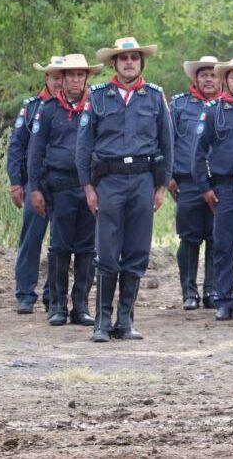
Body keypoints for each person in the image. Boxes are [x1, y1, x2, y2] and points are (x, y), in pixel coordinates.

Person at [80, 37, 172, 342]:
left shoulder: (155, 97)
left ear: (140, 62)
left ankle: (125, 320)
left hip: (144, 181)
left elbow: (167, 145)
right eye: (123, 58)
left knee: (137, 250)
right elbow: (84, 147)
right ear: (113, 64)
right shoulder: (97, 96)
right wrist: (88, 187)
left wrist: (161, 186)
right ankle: (102, 322)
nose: (129, 62)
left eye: (134, 58)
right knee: (106, 249)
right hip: (110, 181)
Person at [28, 54, 102, 327]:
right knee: (59, 247)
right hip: (58, 187)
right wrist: (34, 188)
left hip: (89, 188)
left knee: (87, 248)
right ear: (63, 78)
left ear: (86, 78)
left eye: (80, 75)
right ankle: (57, 306)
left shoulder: (97, 107)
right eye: (70, 75)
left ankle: (80, 305)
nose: (75, 80)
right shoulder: (47, 110)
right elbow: (35, 152)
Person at [192, 56, 233, 322]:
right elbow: (198, 153)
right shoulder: (214, 110)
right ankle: (224, 300)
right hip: (225, 187)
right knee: (224, 245)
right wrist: (205, 187)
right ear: (225, 80)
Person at [7, 57, 63, 314]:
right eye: (55, 77)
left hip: (65, 183)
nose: (60, 81)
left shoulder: (79, 107)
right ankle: (25, 293)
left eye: (64, 76)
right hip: (36, 182)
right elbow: (17, 146)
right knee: (31, 238)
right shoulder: (31, 108)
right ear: (46, 79)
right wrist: (16, 183)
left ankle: (54, 294)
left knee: (61, 241)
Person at [171, 56, 221, 310]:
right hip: (188, 182)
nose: (209, 79)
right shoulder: (180, 105)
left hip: (220, 182)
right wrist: (167, 176)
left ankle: (212, 291)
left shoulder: (228, 106)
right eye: (204, 75)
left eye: (213, 75)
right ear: (195, 79)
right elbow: (166, 141)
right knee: (189, 238)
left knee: (217, 238)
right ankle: (189, 292)